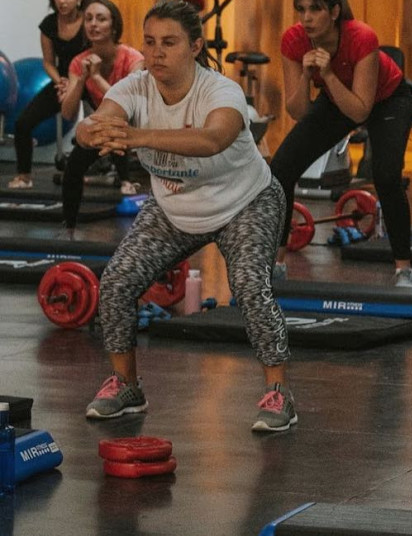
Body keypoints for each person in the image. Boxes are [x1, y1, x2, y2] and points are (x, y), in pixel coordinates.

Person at [79, 0, 295, 432]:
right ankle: (127, 386)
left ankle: (279, 394)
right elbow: (98, 123)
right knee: (117, 281)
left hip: (246, 203)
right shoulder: (133, 88)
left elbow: (213, 139)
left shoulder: (220, 91)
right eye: (150, 42)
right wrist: (92, 132)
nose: (156, 52)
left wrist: (137, 136)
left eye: (170, 42)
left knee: (249, 286)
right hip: (175, 208)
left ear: (195, 46)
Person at [270, 0, 412, 287]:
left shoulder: (361, 36)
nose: (306, 18)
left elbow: (361, 111)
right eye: (301, 10)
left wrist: (327, 74)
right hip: (337, 95)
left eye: (315, 9)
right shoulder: (293, 40)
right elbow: (298, 112)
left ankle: (404, 269)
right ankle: (276, 263)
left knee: (386, 176)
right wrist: (306, 75)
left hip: (388, 99)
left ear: (335, 11)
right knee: (280, 171)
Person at [59, 0, 144, 236]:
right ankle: (69, 228)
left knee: (116, 130)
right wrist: (81, 79)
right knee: (73, 169)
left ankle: (127, 182)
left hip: (136, 124)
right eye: (88, 19)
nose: (93, 24)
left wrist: (96, 77)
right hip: (105, 126)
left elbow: (129, 107)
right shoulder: (79, 61)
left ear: (114, 26)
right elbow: (67, 112)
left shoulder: (133, 58)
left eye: (101, 19)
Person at [7, 0, 86, 190]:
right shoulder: (49, 24)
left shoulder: (89, 21)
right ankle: (24, 176)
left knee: (108, 123)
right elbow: (48, 62)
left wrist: (77, 82)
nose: (62, 2)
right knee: (23, 123)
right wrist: (60, 81)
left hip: (88, 78)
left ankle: (124, 179)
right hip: (62, 81)